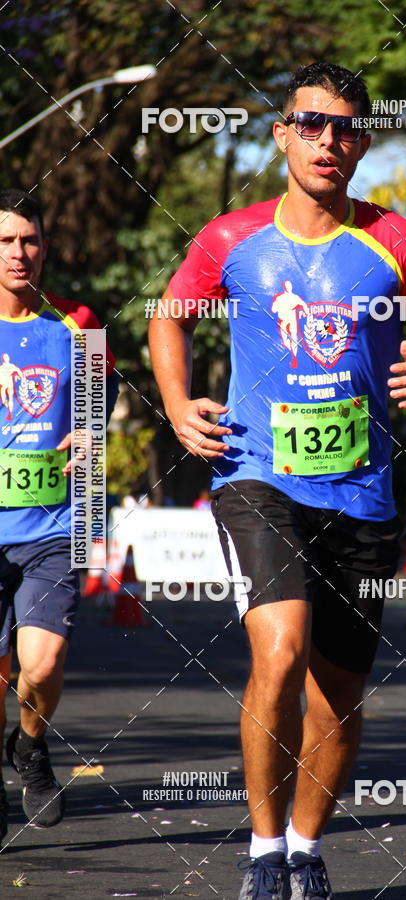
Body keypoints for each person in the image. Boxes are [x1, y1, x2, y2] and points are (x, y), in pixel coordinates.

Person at [149, 62, 406, 899]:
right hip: (257, 473)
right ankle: (263, 854)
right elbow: (169, 314)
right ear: (283, 133)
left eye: (343, 129)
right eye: (310, 124)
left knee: (336, 700)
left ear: (363, 142)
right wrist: (176, 404)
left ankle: (305, 845)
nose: (327, 141)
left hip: (363, 491)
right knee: (281, 645)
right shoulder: (230, 238)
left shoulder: (397, 241)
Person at [0, 189, 118, 847]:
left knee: (40, 665)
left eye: (30, 240)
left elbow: (104, 397)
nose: (20, 253)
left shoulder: (76, 322)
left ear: (45, 246)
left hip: (53, 525)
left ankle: (32, 745)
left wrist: (92, 432)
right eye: (7, 241)